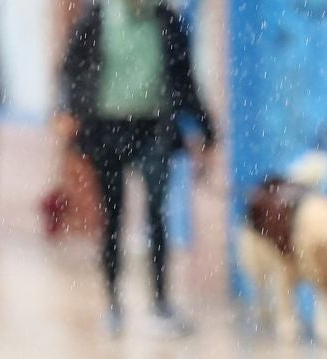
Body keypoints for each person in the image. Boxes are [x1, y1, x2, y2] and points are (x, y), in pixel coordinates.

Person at [58, 0, 216, 335]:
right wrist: (68, 109)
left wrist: (205, 129)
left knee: (157, 214)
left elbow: (185, 78)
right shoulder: (98, 18)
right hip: (107, 129)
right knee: (112, 217)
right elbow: (71, 69)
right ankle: (113, 304)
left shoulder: (165, 21)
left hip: (154, 129)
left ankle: (160, 304)